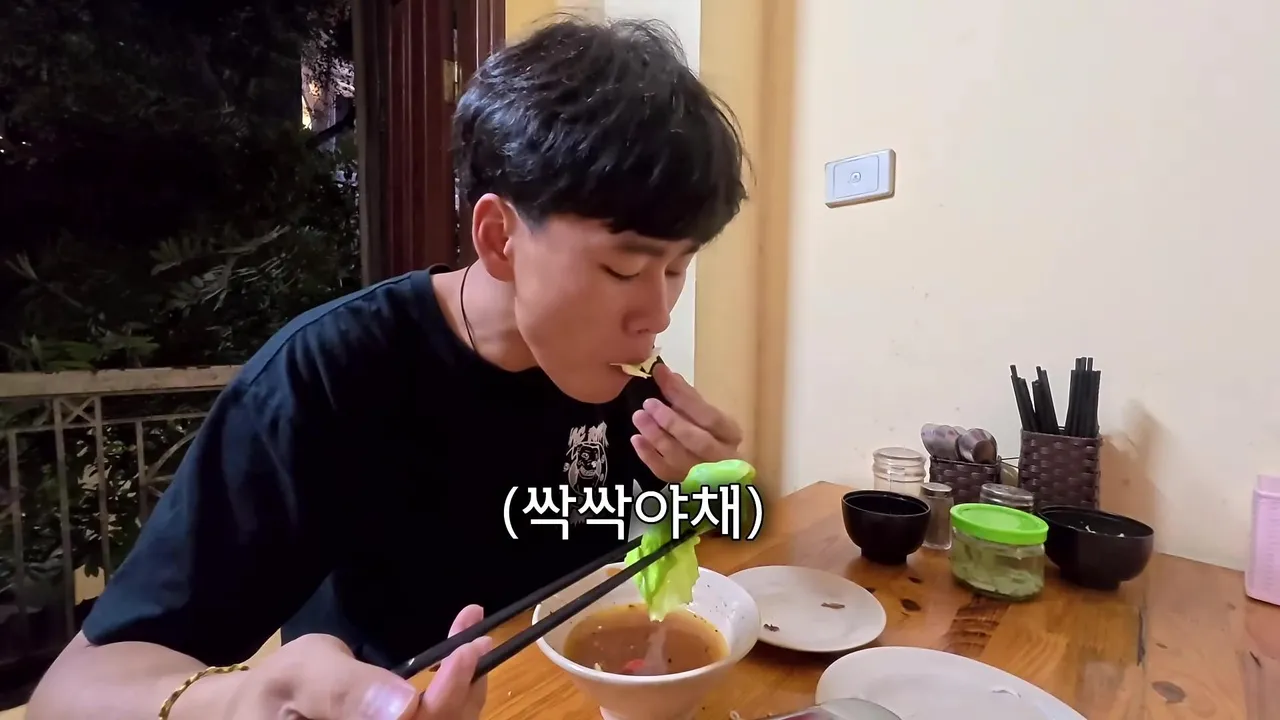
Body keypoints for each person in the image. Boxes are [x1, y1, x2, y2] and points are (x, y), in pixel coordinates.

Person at [27, 14, 747, 720]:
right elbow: (71, 693)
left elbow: (622, 570)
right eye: (624, 270)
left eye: (677, 269)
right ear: (499, 238)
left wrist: (688, 493)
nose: (657, 315)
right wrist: (246, 698)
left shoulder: (622, 388)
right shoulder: (330, 375)